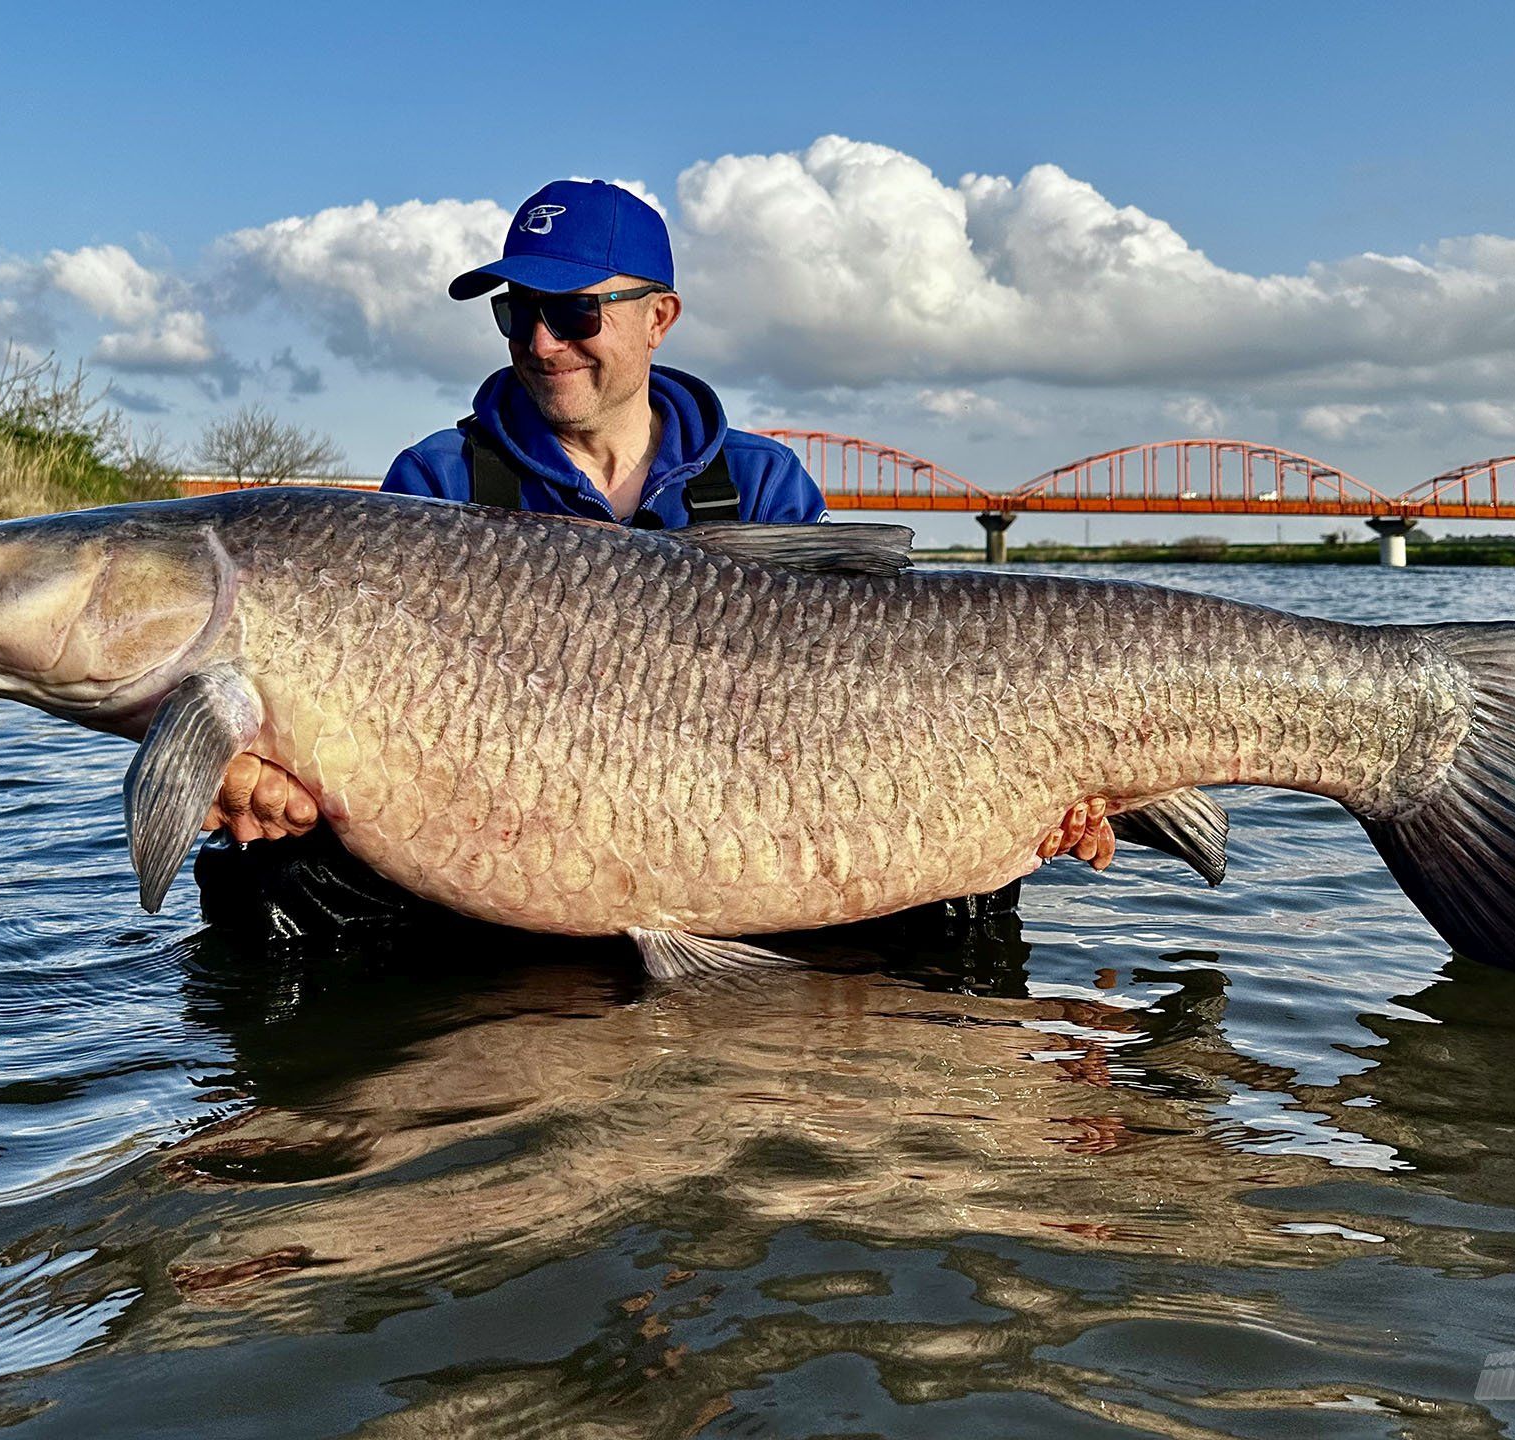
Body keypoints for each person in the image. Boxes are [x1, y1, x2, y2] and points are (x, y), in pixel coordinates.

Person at [196, 180, 1112, 943]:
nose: (540, 342)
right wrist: (246, 772)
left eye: (573, 310)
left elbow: (878, 676)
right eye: (518, 313)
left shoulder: (761, 480)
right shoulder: (436, 481)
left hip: (760, 834)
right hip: (519, 859)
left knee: (972, 880)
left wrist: (1031, 784)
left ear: (659, 317)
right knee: (263, 878)